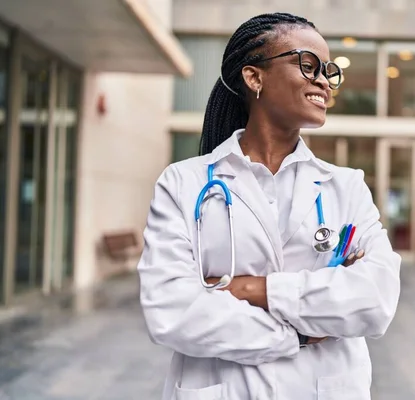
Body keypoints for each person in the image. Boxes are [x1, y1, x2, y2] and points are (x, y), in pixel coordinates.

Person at [137, 12, 401, 400]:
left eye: (328, 71)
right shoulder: (184, 183)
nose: (323, 81)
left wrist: (255, 289)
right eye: (307, 65)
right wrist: (299, 332)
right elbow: (172, 312)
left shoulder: (346, 187)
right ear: (254, 77)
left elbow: (375, 300)